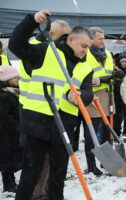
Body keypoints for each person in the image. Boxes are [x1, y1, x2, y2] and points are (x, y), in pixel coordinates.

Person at [9, 10, 94, 200]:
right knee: (30, 175)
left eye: (88, 47)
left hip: (65, 124)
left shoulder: (85, 65)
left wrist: (81, 95)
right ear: (70, 40)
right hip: (38, 123)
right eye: (83, 46)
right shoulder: (46, 52)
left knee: (58, 176)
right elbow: (16, 44)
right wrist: (31, 21)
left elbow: (89, 92)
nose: (86, 50)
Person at [17, 19, 71, 200]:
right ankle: (36, 194)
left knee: (48, 164)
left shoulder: (58, 53)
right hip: (32, 111)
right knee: (32, 167)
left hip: (50, 113)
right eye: (65, 37)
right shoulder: (40, 49)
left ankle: (43, 193)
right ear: (54, 34)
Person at [84, 26, 115, 176]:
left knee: (106, 133)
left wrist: (116, 73)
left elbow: (110, 70)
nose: (104, 41)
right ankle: (91, 165)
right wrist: (100, 80)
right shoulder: (85, 54)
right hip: (93, 98)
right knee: (91, 134)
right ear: (91, 40)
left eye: (104, 38)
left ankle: (106, 161)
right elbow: (79, 79)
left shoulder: (108, 54)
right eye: (100, 38)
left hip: (108, 98)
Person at [0, 66, 22, 193]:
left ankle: (10, 183)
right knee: (6, 158)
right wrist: (16, 125)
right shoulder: (4, 96)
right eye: (15, 77)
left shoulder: (12, 91)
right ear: (6, 79)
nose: (18, 79)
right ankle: (9, 185)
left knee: (10, 157)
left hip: (12, 131)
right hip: (6, 133)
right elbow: (4, 117)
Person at [114, 52, 126, 136]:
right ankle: (116, 132)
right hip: (117, 96)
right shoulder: (115, 71)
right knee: (117, 115)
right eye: (122, 61)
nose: (124, 63)